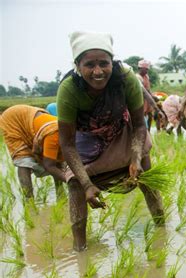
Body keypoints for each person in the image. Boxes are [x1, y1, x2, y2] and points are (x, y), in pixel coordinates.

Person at [57, 31, 164, 251]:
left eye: (104, 63)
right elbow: (67, 143)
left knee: (146, 172)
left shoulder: (125, 79)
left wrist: (134, 158)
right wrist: (87, 184)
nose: (98, 72)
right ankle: (80, 250)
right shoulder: (68, 89)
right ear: (78, 65)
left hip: (122, 133)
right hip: (87, 141)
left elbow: (139, 125)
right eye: (90, 65)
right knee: (75, 184)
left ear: (112, 63)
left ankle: (162, 229)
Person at [0, 104, 66, 198]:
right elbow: (49, 165)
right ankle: (29, 199)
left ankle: (61, 194)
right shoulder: (54, 135)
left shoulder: (72, 133)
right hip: (13, 120)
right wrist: (72, 180)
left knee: (59, 159)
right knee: (24, 159)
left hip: (32, 118)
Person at [136, 59, 162, 131]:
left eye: (147, 69)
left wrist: (152, 96)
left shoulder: (146, 76)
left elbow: (148, 89)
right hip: (141, 99)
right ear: (140, 69)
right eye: (145, 69)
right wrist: (152, 97)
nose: (146, 71)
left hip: (148, 100)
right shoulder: (138, 77)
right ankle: (144, 131)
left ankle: (149, 131)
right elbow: (144, 91)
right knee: (143, 115)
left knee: (150, 115)